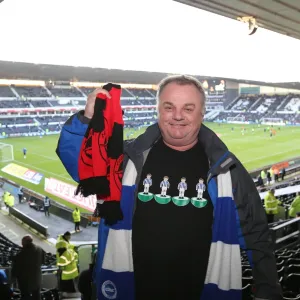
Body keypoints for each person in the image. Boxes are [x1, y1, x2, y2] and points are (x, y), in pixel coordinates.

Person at [56, 75, 282, 300]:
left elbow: (256, 233)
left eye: (188, 108)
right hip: (129, 291)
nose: (177, 115)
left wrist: (268, 290)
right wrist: (87, 120)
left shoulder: (227, 170)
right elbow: (82, 166)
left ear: (202, 113)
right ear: (158, 110)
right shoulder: (127, 159)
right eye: (169, 107)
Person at [11, 235, 44, 300]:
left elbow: (16, 268)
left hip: (25, 281)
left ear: (25, 242)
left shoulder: (21, 254)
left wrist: (13, 277)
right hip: (37, 278)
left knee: (25, 296)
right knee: (37, 296)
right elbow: (42, 261)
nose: (21, 243)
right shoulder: (40, 249)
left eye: (22, 242)